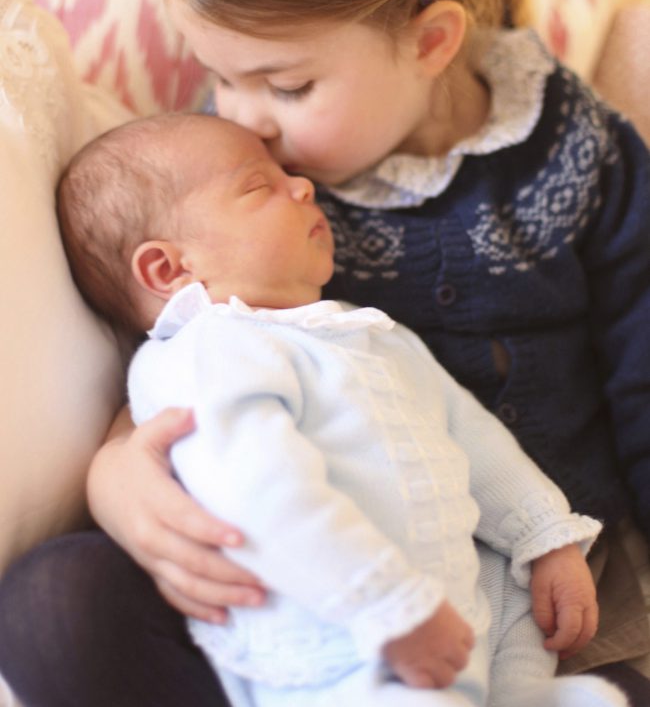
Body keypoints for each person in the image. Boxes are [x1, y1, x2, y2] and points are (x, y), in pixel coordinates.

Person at [0, 0, 648, 707]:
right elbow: (174, 346)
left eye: (285, 85)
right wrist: (114, 477)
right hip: (304, 567)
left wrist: (560, 543)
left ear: (431, 42)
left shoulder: (582, 156)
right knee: (53, 606)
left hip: (532, 588)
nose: (244, 120)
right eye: (220, 79)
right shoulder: (233, 167)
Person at [54, 110, 623, 707]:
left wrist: (543, 535)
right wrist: (387, 605)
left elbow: (471, 437)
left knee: (529, 629)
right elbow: (260, 493)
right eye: (259, 186)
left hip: (457, 622)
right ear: (169, 268)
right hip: (343, 649)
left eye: (286, 175)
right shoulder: (208, 352)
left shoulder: (371, 335)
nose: (303, 187)